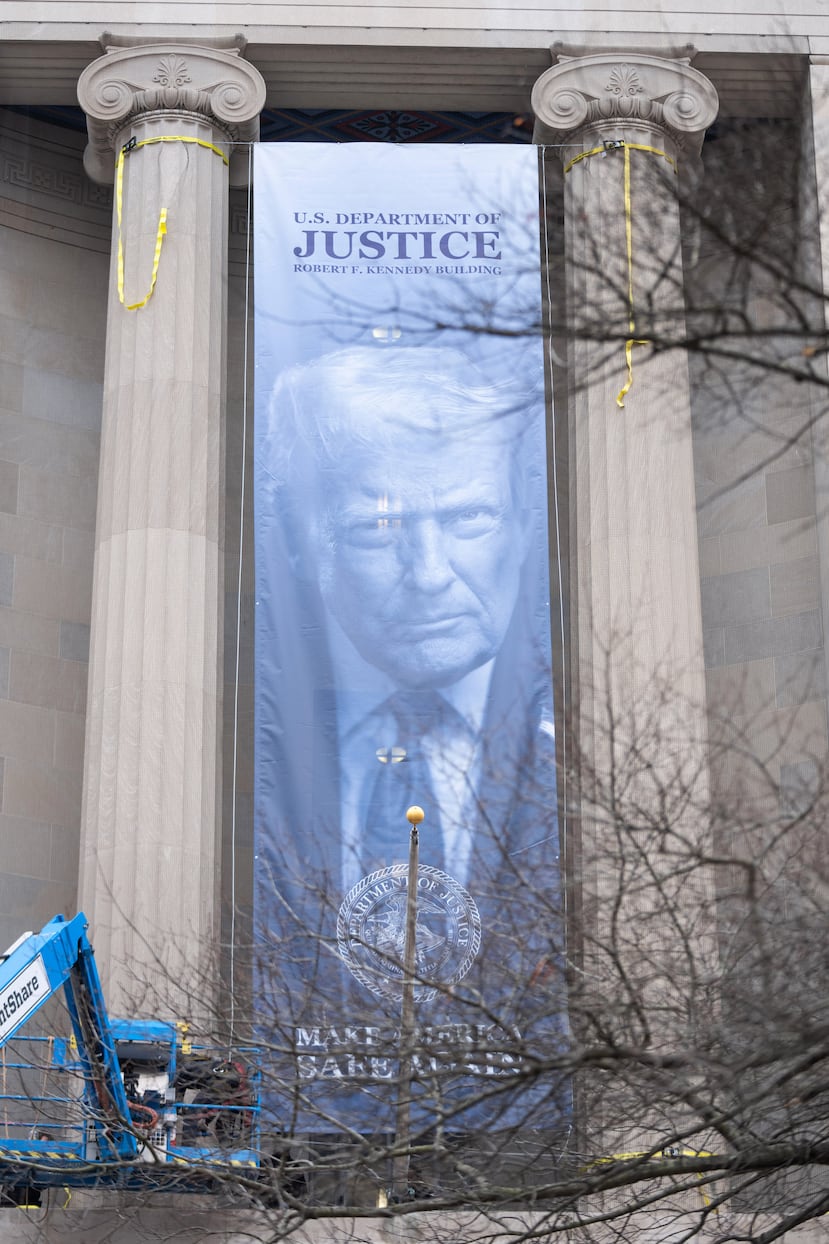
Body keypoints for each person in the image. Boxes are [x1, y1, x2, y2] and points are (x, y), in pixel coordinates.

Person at [254, 343, 565, 1128]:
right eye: (374, 528)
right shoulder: (262, 751)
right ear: (299, 541)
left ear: (524, 523)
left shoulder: (578, 742)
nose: (427, 572)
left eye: (467, 517)